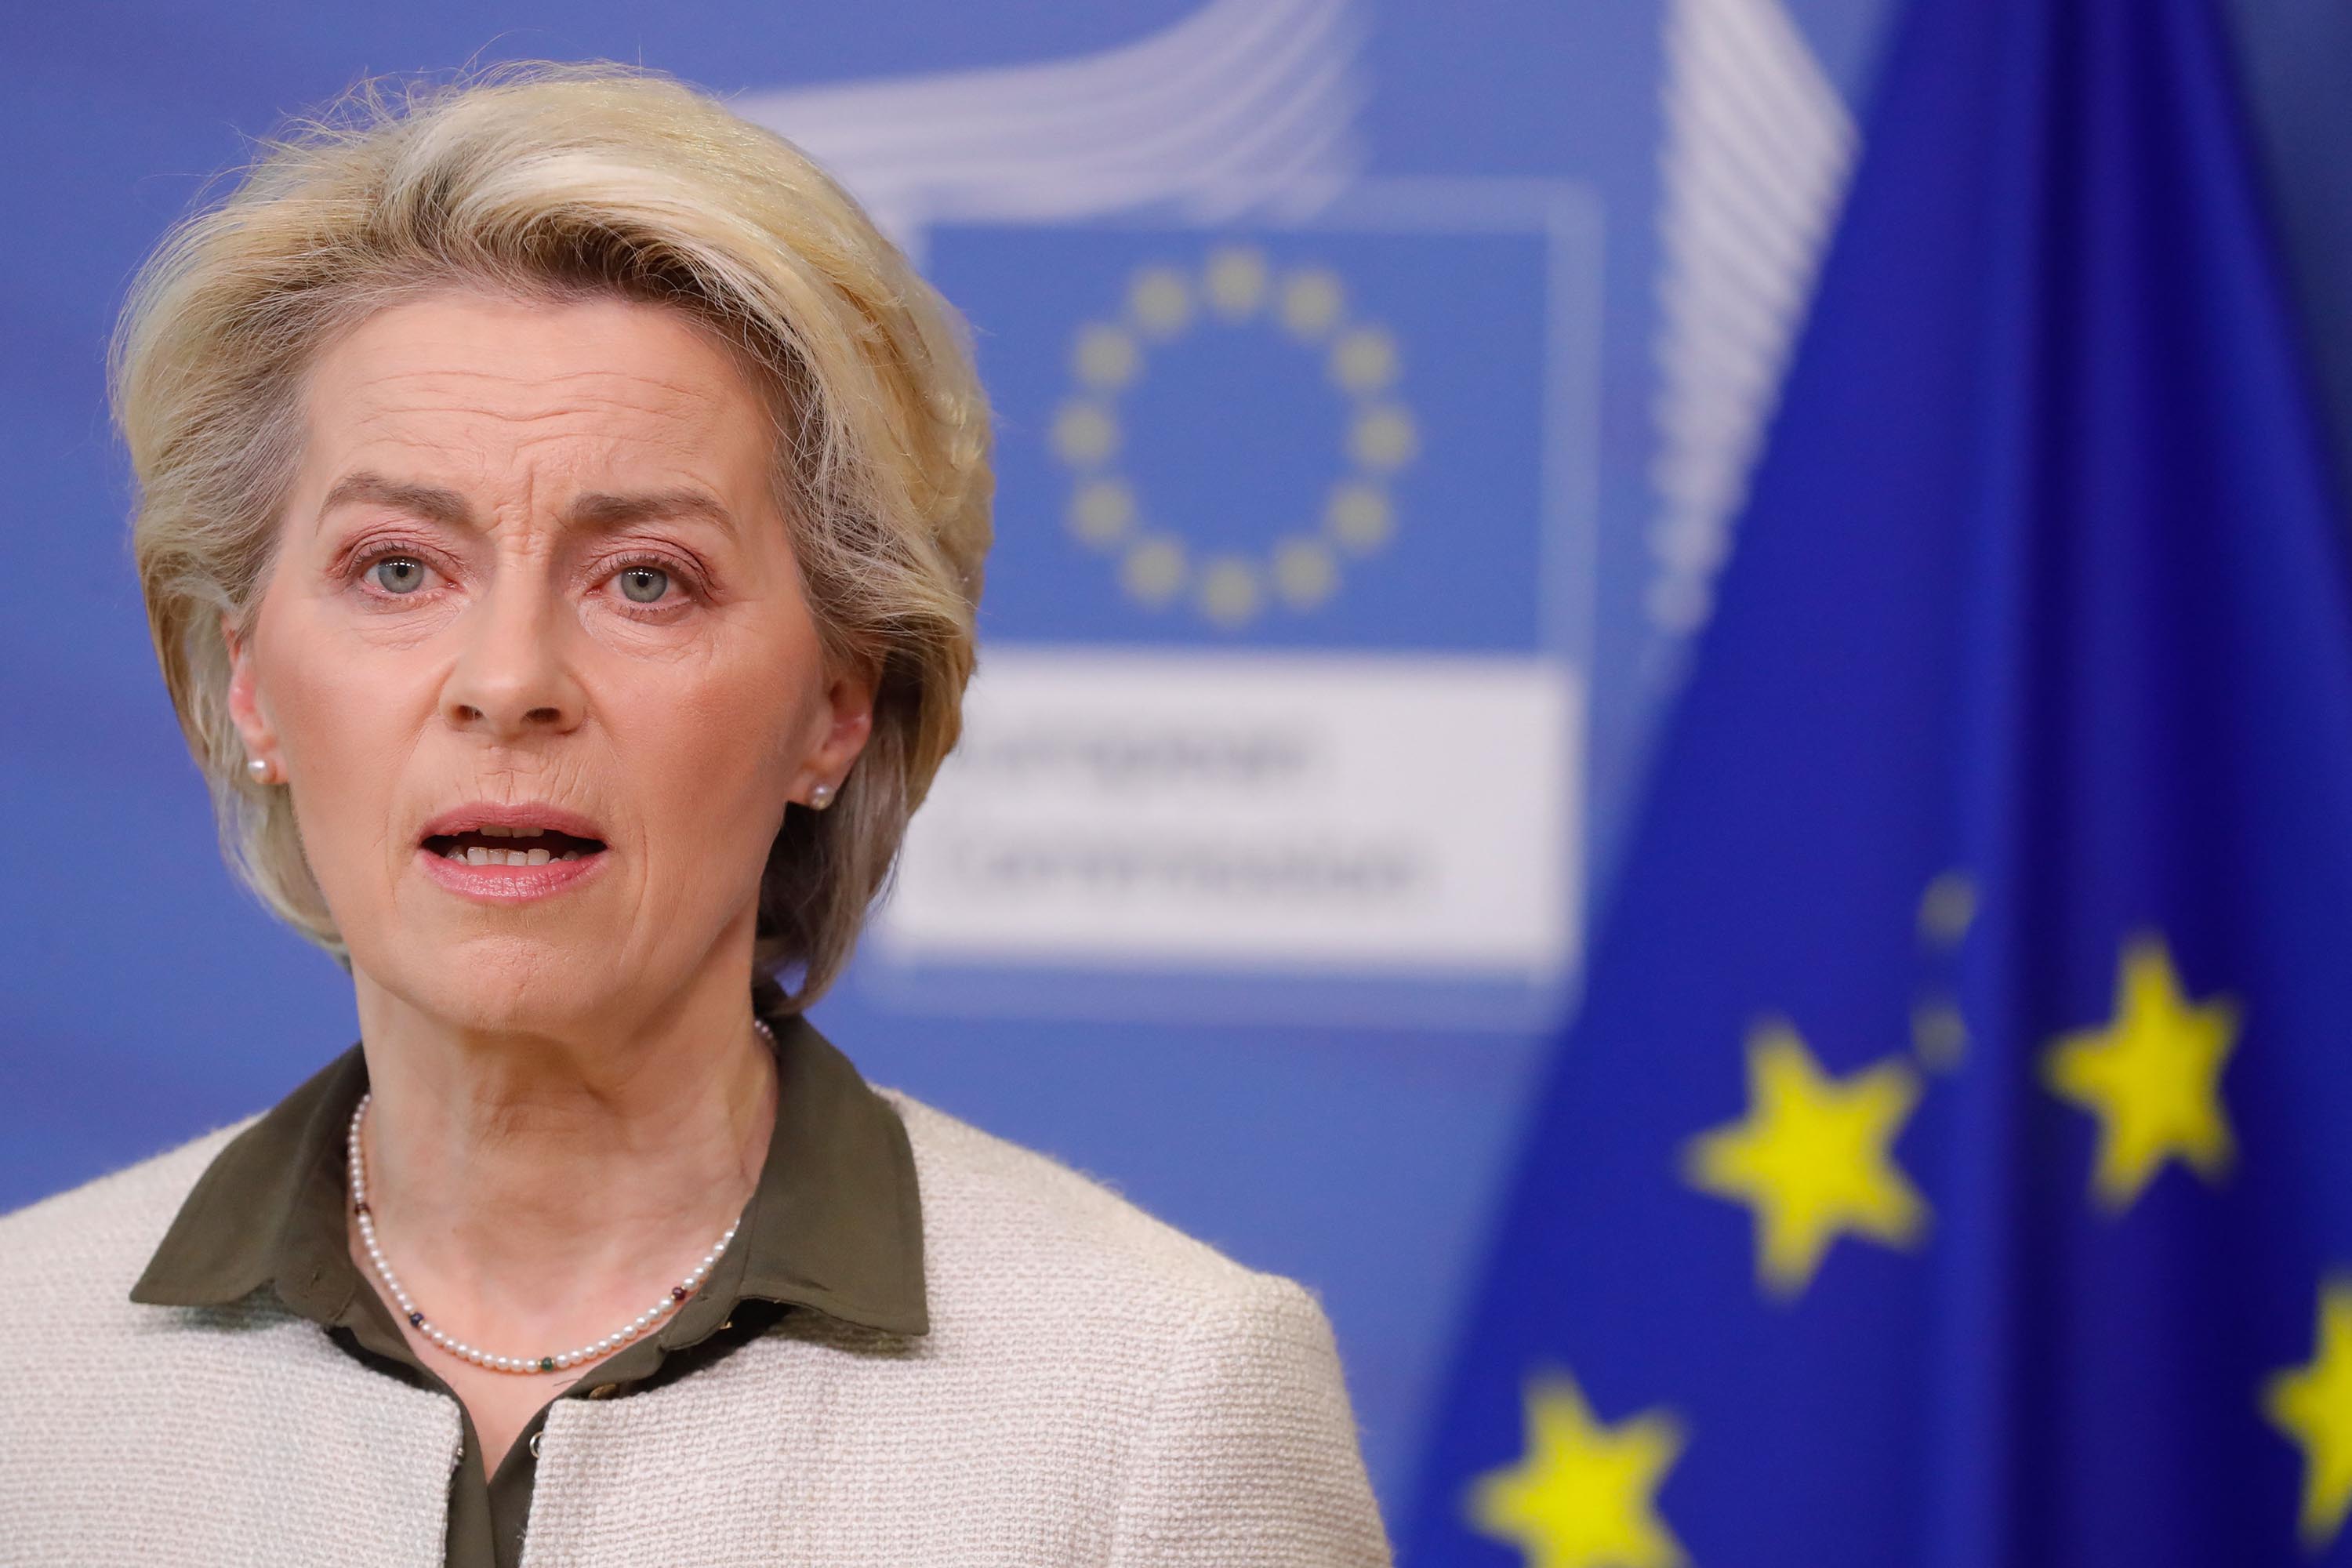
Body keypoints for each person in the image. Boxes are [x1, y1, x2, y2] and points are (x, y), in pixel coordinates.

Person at [0, 62, 1390, 1566]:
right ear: (250, 681)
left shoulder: (1158, 1405)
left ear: (838, 705)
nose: (511, 680)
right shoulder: (25, 1374)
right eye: (398, 568)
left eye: (645, 578)